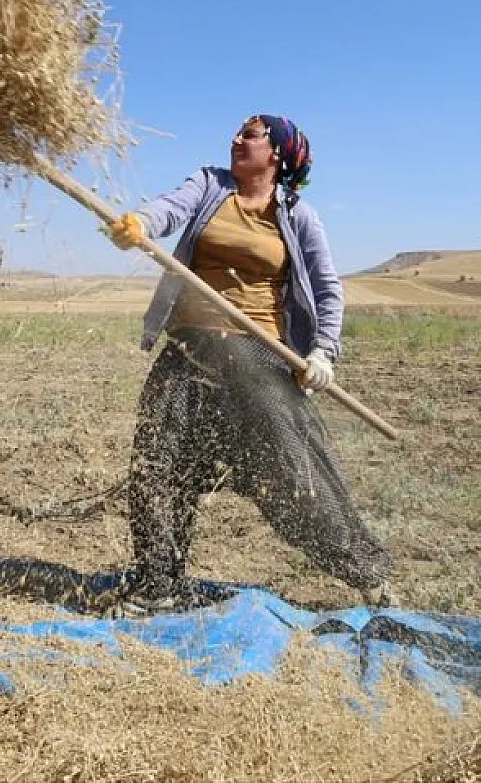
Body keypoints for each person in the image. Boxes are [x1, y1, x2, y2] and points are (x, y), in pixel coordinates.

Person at [105, 114, 396, 613]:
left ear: (277, 154)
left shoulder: (298, 216)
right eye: (237, 132)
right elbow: (168, 210)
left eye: (251, 134)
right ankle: (159, 583)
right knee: (159, 462)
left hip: (258, 352)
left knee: (296, 471)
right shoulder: (209, 184)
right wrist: (140, 224)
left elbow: (328, 289)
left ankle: (368, 574)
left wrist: (324, 350)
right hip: (190, 347)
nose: (237, 139)